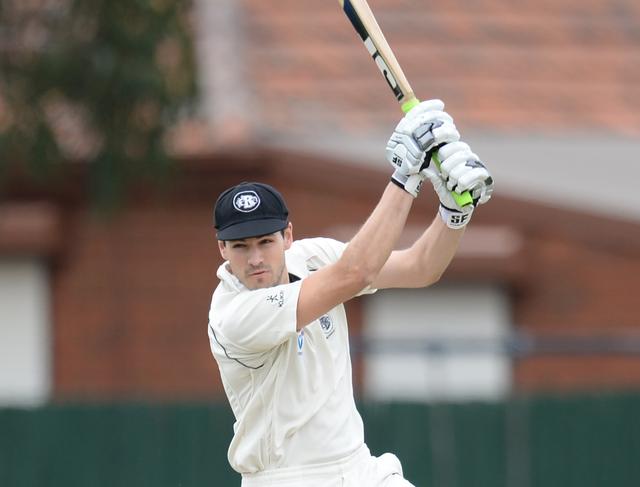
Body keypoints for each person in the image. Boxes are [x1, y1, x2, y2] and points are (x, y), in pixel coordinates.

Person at [207, 99, 494, 486]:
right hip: (289, 478)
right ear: (222, 249)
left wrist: (454, 212)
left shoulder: (313, 257)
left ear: (287, 235)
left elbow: (421, 267)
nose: (255, 258)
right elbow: (356, 272)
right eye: (240, 246)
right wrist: (406, 176)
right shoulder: (234, 316)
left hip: (360, 469)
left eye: (265, 241)